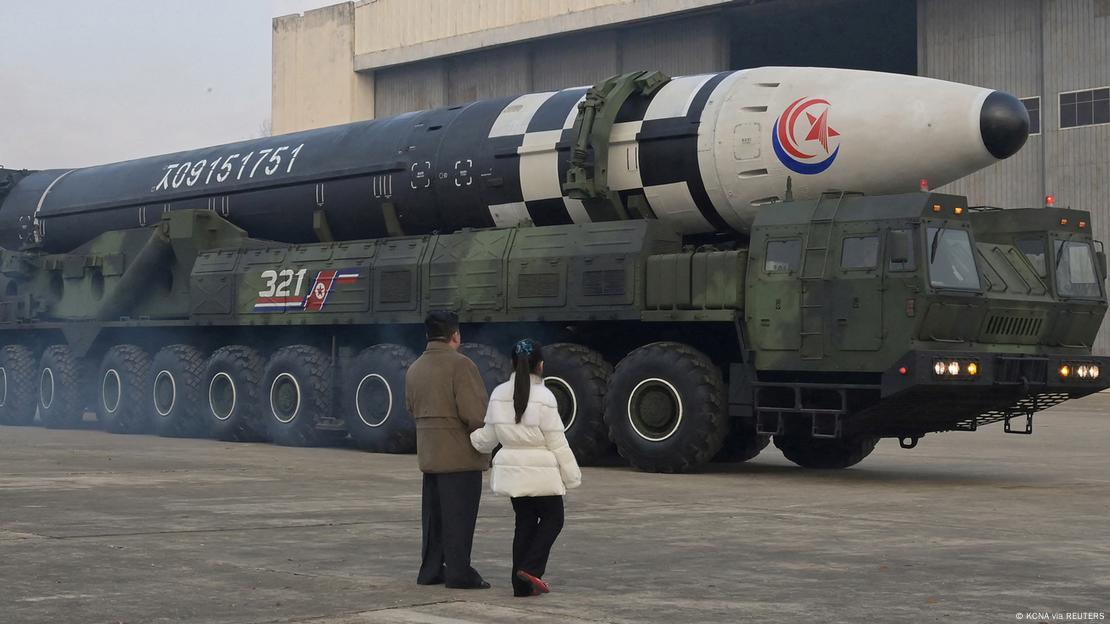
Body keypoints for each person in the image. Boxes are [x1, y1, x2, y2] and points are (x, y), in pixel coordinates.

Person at [470, 338, 581, 597]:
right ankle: (531, 568)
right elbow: (557, 441)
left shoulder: (498, 394)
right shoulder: (545, 397)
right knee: (554, 518)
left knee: (525, 522)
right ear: (540, 365)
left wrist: (469, 439)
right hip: (542, 473)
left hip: (513, 474)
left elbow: (488, 437)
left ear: (512, 363)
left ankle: (520, 586)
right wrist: (571, 476)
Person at [405, 310, 492, 589]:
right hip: (460, 456)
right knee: (459, 518)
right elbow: (474, 414)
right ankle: (458, 572)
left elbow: (411, 408)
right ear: (455, 335)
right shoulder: (461, 365)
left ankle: (430, 570)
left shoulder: (415, 367)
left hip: (430, 455)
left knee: (434, 520)